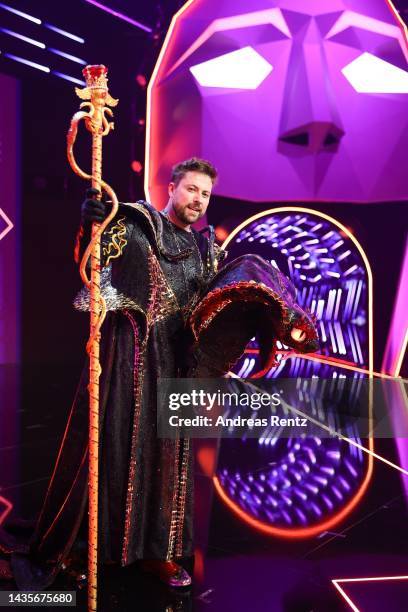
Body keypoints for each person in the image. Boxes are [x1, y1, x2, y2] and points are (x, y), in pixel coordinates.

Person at [0, 157, 318, 591]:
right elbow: (94, 265)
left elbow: (217, 307)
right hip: (130, 359)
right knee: (114, 448)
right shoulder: (137, 224)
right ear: (171, 188)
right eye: (191, 189)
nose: (198, 200)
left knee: (170, 463)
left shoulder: (209, 251)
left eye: (205, 194)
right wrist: (88, 226)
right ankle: (93, 547)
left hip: (179, 364)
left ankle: (156, 552)